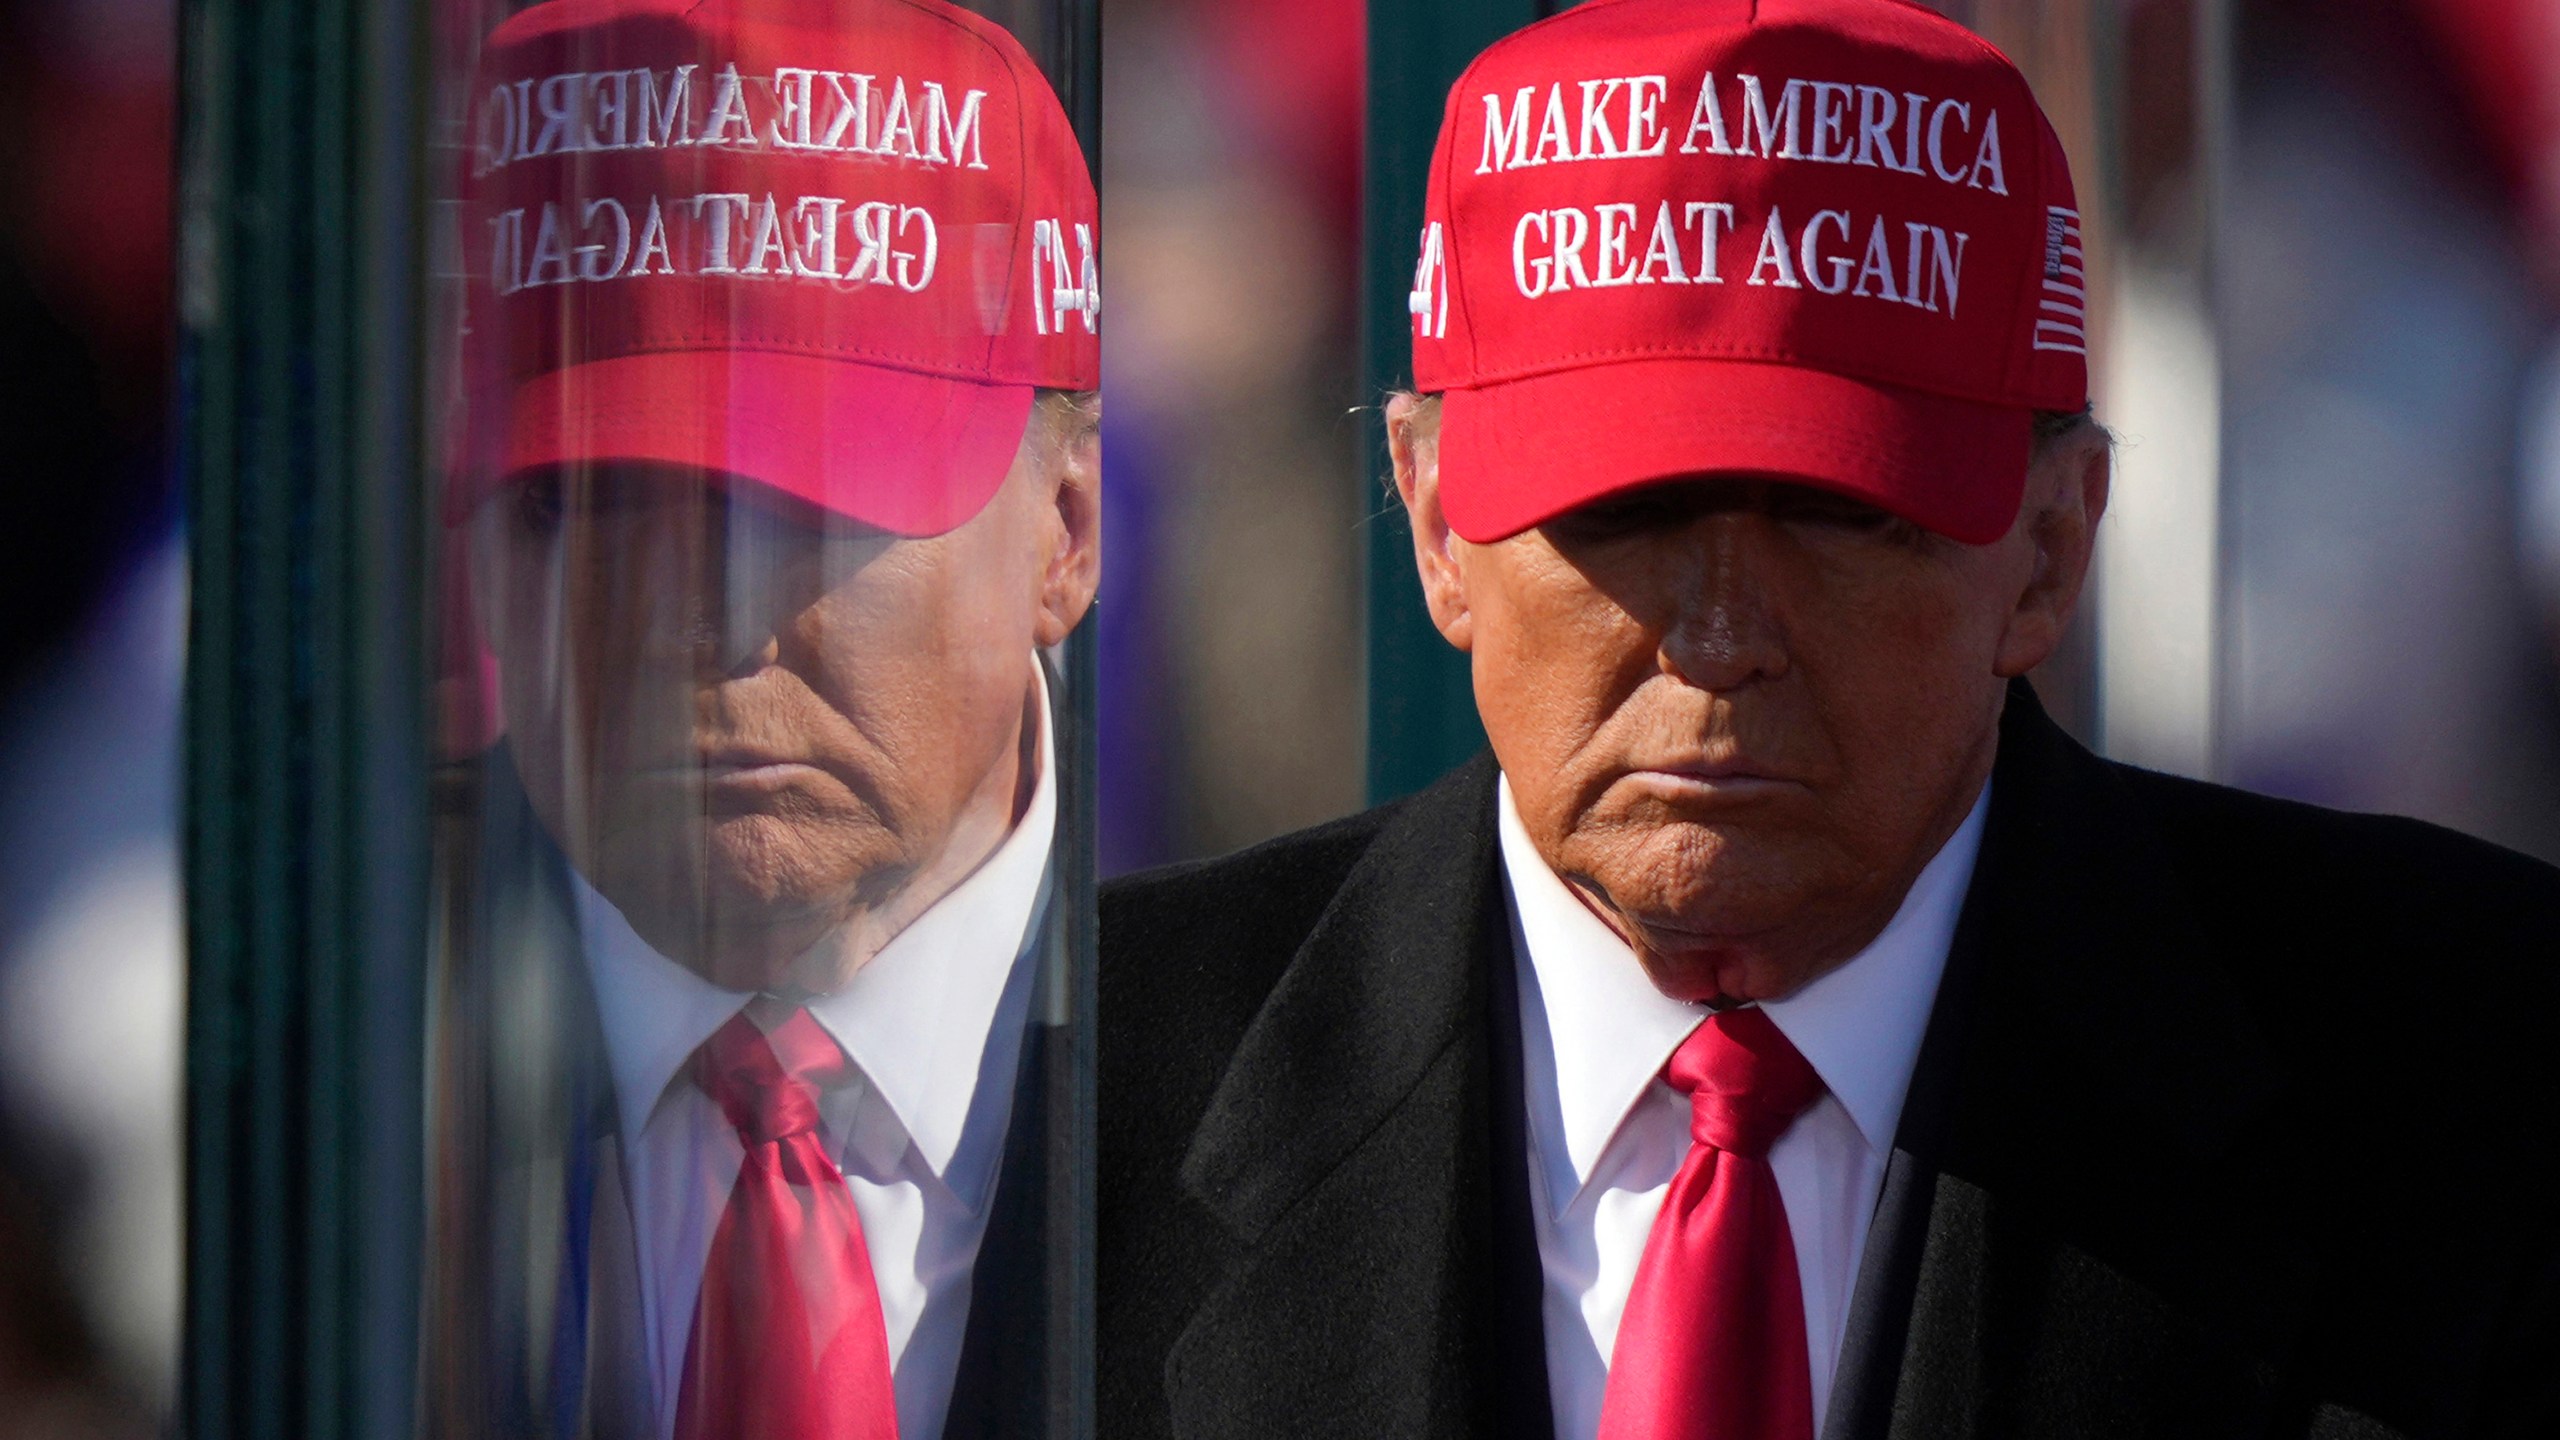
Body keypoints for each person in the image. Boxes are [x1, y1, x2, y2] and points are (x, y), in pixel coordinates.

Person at [1098, 1, 2560, 1437]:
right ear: (1431, 522)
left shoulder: (2480, 1090)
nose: (1723, 637)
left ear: (2052, 550)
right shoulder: (1068, 1102)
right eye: (1619, 513)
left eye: (1842, 516)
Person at [426, 0, 1099, 1436]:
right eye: (585, 509)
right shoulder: (283, 1085)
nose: (702, 622)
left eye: (805, 511)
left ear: (1068, 531)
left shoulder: (1352, 1078)